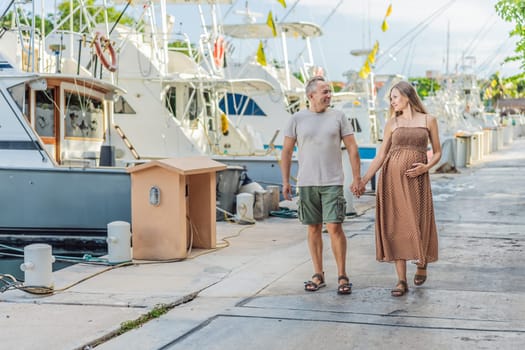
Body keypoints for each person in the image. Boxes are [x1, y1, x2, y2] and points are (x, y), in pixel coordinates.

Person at [281, 76, 362, 295]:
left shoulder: (339, 117)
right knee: (313, 227)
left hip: (333, 182)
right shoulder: (297, 118)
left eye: (329, 91)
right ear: (311, 96)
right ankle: (318, 274)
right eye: (324, 92)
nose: (329, 95)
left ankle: (342, 275)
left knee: (335, 227)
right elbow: (287, 151)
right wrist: (286, 181)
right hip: (307, 183)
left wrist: (356, 178)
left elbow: (353, 148)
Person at [359, 81, 441, 297]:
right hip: (391, 181)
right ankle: (401, 280)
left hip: (417, 180)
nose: (392, 101)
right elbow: (381, 155)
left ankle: (422, 262)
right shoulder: (392, 124)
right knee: (396, 226)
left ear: (407, 96)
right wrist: (364, 179)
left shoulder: (428, 120)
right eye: (391, 98)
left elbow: (438, 153)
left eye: (394, 97)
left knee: (419, 221)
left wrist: (426, 167)